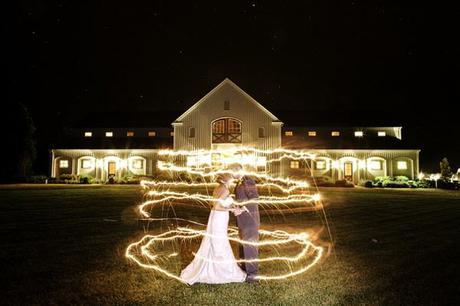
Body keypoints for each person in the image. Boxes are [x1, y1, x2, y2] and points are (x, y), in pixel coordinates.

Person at [180, 172, 246, 285]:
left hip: (216, 217)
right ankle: (221, 272)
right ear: (227, 180)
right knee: (219, 243)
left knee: (214, 242)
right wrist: (232, 210)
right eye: (231, 179)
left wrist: (233, 206)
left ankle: (211, 267)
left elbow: (218, 203)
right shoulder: (226, 190)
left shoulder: (217, 188)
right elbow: (217, 206)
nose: (233, 181)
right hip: (219, 218)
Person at [228, 162, 260, 283]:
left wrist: (241, 209)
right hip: (243, 221)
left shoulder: (248, 180)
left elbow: (254, 198)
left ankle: (253, 276)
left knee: (250, 248)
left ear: (238, 170)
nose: (231, 175)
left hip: (250, 221)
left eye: (232, 172)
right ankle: (244, 270)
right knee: (243, 247)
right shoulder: (239, 183)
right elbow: (241, 200)